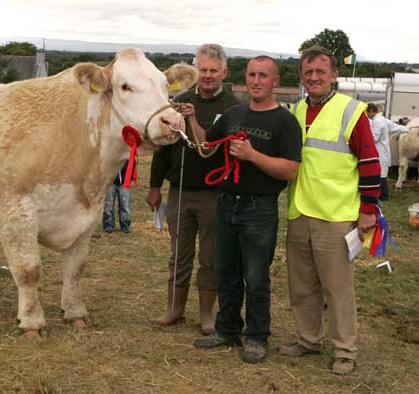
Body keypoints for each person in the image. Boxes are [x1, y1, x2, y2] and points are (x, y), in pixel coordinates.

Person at [184, 56, 302, 364]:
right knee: (227, 272)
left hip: (259, 209)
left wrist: (251, 155)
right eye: (252, 74)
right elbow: (207, 146)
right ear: (244, 79)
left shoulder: (285, 121)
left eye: (263, 75)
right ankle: (227, 330)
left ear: (275, 80)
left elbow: (290, 170)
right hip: (226, 204)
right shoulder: (233, 114)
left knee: (256, 276)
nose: (256, 81)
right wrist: (192, 120)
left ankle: (257, 336)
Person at [279, 45, 381, 376]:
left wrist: (368, 211)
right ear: (302, 76)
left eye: (320, 71)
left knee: (337, 289)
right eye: (308, 72)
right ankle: (309, 340)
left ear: (334, 75)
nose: (314, 77)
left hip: (336, 217)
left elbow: (370, 162)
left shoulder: (351, 111)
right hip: (300, 214)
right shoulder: (294, 112)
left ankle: (345, 350)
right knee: (302, 285)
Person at [147, 43, 239, 335]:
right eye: (202, 69)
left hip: (215, 194)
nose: (208, 75)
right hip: (179, 191)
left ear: (224, 72)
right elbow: (163, 149)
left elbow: (210, 147)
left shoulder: (234, 108)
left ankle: (206, 316)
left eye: (213, 70)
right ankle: (174, 309)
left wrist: (193, 119)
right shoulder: (179, 100)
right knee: (179, 254)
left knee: (210, 256)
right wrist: (154, 186)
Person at [367, 103, 408, 200]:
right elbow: (395, 127)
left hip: (380, 152)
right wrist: (407, 129)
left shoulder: (377, 121)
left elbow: (374, 138)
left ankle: (383, 196)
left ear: (372, 111)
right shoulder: (382, 119)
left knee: (381, 175)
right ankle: (381, 195)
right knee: (382, 174)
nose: (367, 116)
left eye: (367, 113)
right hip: (382, 151)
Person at [102, 161, 133, 233]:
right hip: (109, 181)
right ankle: (108, 225)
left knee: (125, 206)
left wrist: (129, 177)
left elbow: (132, 163)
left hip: (124, 182)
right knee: (108, 205)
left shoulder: (126, 152)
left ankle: (125, 226)